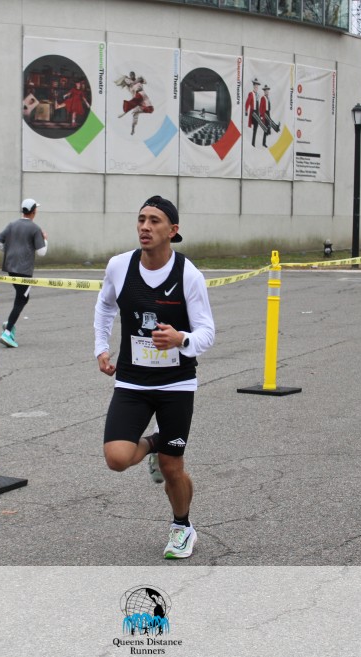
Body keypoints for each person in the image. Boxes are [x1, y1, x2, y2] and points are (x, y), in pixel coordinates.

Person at [94, 195, 216, 559]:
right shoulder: (120, 266)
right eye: (141, 219)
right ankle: (155, 442)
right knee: (117, 458)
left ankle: (182, 527)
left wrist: (181, 340)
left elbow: (207, 333)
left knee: (171, 466)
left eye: (154, 221)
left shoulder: (188, 275)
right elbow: (104, 306)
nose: (145, 227)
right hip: (132, 380)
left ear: (173, 230)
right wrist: (101, 347)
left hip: (176, 383)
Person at [0, 198, 48, 348]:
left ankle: (9, 324)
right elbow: (42, 252)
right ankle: (7, 331)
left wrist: (9, 251)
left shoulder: (12, 225)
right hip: (25, 270)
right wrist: (45, 239)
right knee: (22, 299)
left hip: (10, 267)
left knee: (22, 297)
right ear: (34, 211)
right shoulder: (35, 228)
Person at [245, 78, 261, 146]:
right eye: (255, 86)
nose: (256, 87)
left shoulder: (257, 95)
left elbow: (258, 105)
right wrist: (246, 110)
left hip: (257, 113)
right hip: (253, 113)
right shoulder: (251, 94)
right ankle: (253, 143)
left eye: (257, 86)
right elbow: (247, 102)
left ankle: (253, 143)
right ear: (253, 86)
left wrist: (259, 114)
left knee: (256, 128)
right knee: (259, 124)